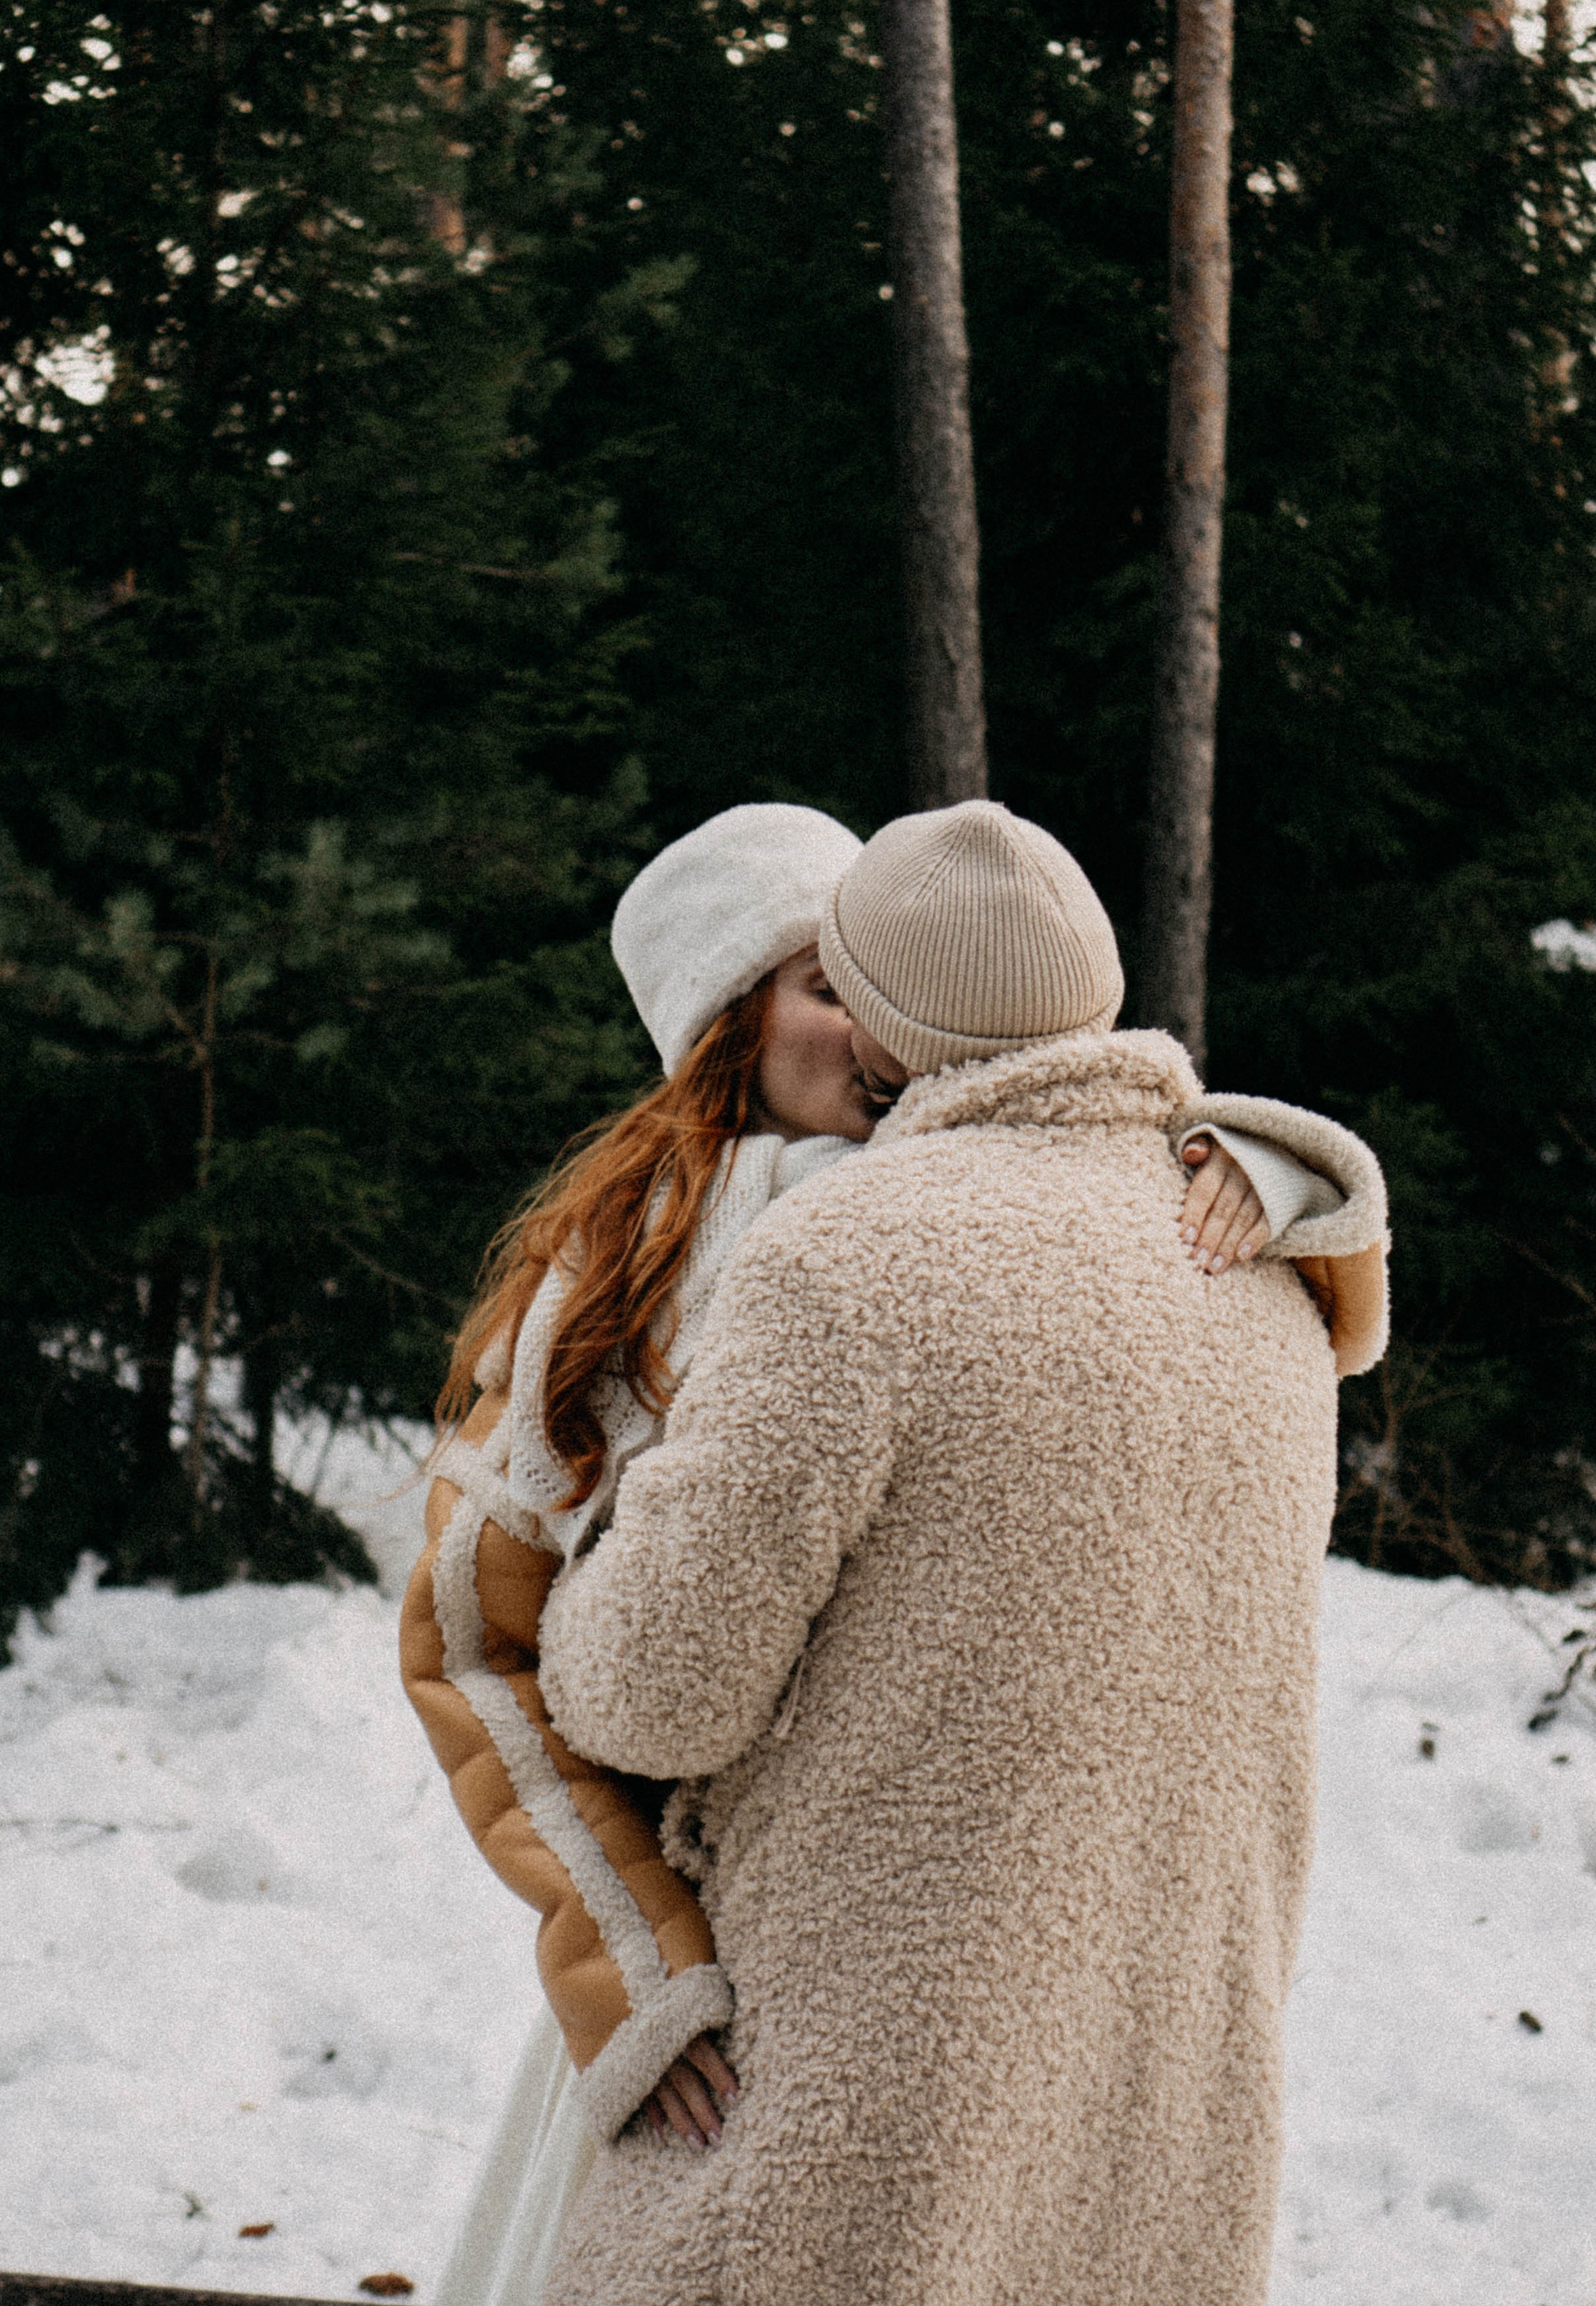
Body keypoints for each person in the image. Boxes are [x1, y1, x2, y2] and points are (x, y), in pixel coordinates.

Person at [400, 801, 1333, 2306]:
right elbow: (478, 1644)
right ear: (724, 1026)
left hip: (953, 1980)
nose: (871, 1030)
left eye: (880, 979)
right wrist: (629, 1960)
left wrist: (1282, 1171)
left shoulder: (1088, 1213)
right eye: (825, 985)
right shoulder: (624, 1272)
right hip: (712, 1984)